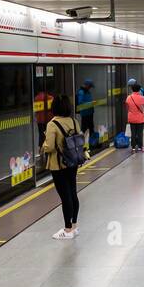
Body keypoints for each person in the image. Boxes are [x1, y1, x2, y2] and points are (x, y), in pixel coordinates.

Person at [41, 93, 85, 239]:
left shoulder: (52, 124)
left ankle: (67, 230)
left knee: (65, 196)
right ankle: (74, 225)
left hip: (59, 165)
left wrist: (43, 143)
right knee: (72, 192)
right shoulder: (73, 121)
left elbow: (49, 147)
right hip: (73, 162)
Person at [125, 80, 144, 153]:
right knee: (140, 133)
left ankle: (133, 148)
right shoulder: (142, 98)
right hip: (140, 119)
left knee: (133, 133)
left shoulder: (129, 97)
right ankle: (141, 148)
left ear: (132, 89)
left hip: (131, 118)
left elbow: (127, 107)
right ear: (139, 89)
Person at [76, 78, 95, 148]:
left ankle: (91, 143)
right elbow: (80, 102)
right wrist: (89, 104)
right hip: (85, 113)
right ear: (87, 85)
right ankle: (81, 144)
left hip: (90, 112)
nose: (90, 88)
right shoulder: (81, 92)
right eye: (90, 86)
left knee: (91, 127)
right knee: (84, 128)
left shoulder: (87, 92)